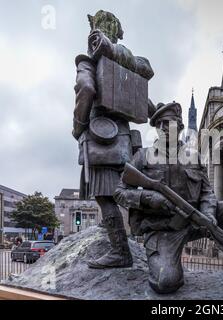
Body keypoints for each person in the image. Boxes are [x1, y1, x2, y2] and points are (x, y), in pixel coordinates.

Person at [114, 102, 223, 294]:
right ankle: (168, 267)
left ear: (180, 128)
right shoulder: (143, 156)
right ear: (156, 128)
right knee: (166, 283)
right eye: (161, 124)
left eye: (170, 123)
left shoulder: (193, 156)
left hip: (195, 220)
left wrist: (209, 215)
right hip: (163, 230)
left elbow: (207, 192)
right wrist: (147, 197)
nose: (165, 128)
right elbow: (119, 192)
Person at [72, 10, 154, 269]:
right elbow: (146, 104)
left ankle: (120, 252)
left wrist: (79, 127)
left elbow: (85, 89)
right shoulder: (128, 65)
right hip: (126, 143)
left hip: (100, 139)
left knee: (105, 198)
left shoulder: (89, 62)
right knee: (127, 194)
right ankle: (152, 244)